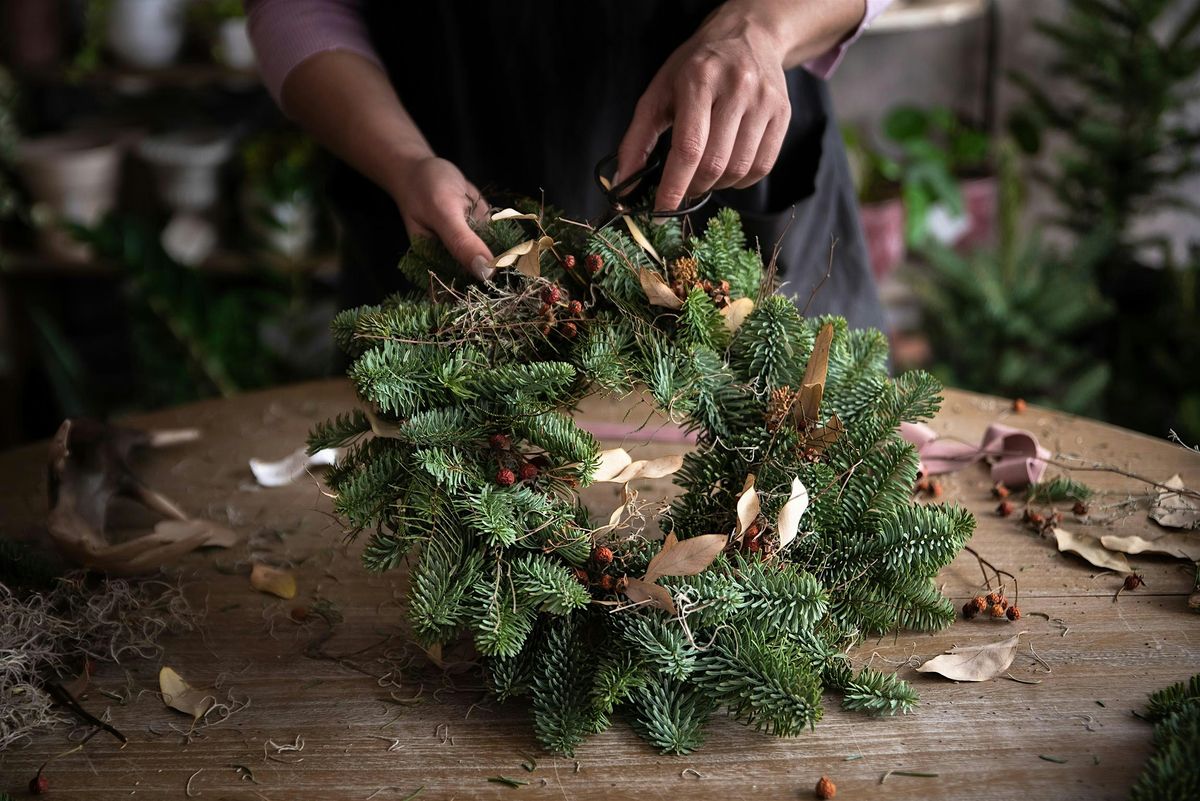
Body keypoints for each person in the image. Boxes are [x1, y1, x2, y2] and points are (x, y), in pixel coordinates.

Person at [246, 0, 890, 330]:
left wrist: (763, 25)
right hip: (438, 190)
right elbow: (296, 9)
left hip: (740, 170)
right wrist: (403, 159)